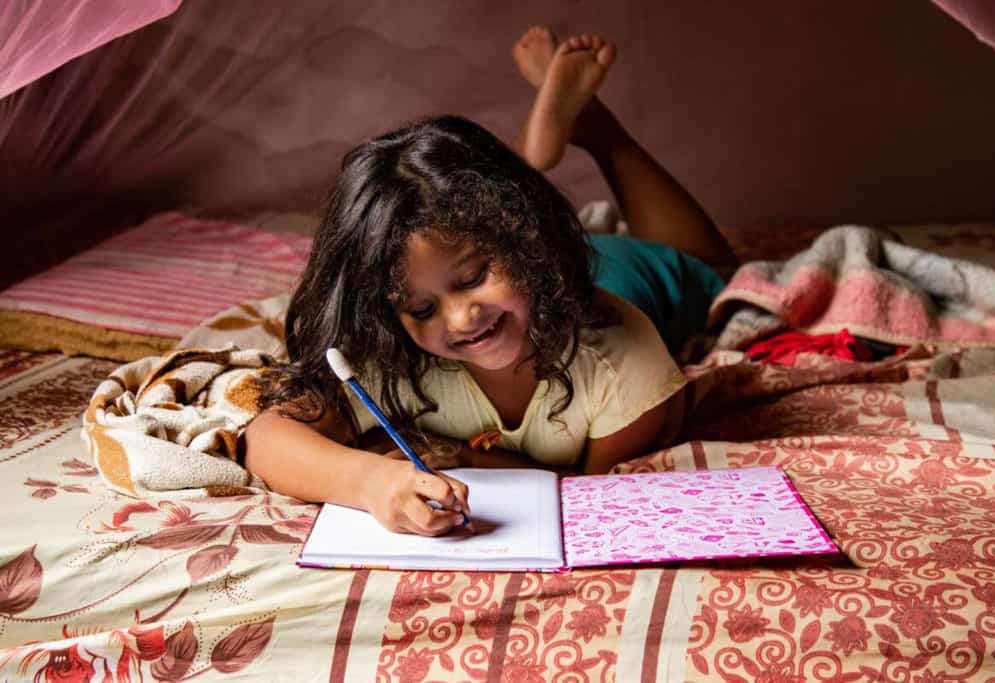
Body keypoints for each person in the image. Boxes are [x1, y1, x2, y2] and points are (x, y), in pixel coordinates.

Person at [242, 28, 735, 536]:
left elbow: (590, 492)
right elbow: (266, 439)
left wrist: (465, 459)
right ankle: (530, 162)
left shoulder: (622, 361)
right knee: (471, 203)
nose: (460, 318)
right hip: (527, 260)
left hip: (638, 274)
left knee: (712, 265)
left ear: (527, 247)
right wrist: (370, 479)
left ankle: (597, 128)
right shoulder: (391, 355)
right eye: (421, 307)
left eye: (475, 278)